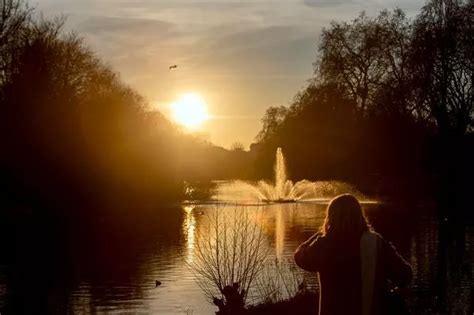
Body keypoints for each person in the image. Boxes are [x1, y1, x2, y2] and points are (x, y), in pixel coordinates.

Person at [294, 194, 412, 315]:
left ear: (330, 217)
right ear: (360, 215)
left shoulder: (324, 245)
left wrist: (317, 236)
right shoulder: (376, 243)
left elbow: (299, 258)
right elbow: (406, 275)